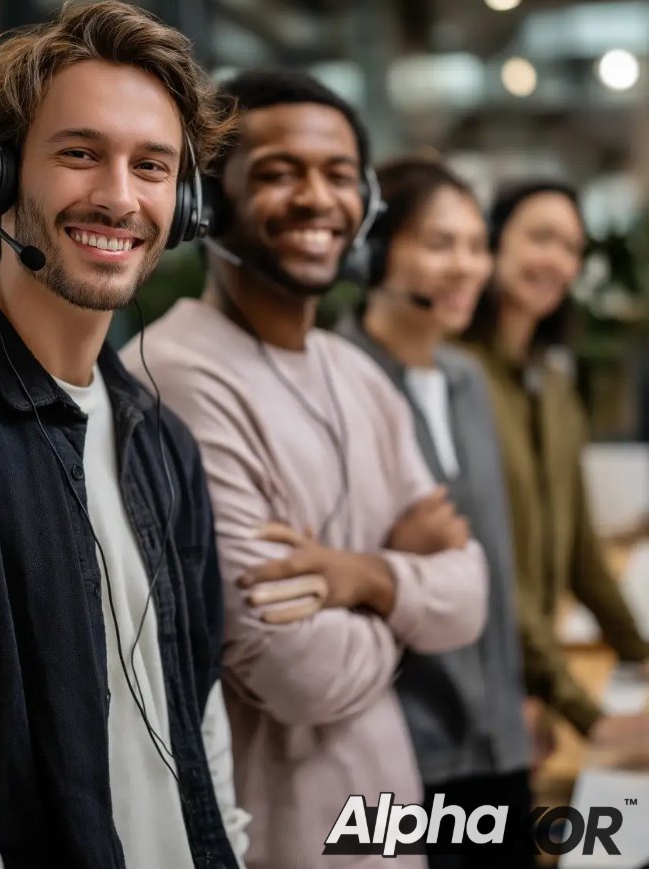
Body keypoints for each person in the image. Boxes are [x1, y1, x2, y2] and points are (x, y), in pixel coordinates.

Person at [0, 0, 246, 869]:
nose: (117, 196)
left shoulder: (161, 443)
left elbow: (201, 732)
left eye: (151, 166)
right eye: (79, 154)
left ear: (180, 205)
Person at [121, 70, 488, 869]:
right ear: (208, 203)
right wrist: (409, 589)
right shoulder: (178, 377)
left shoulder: (354, 370)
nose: (316, 199)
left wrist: (358, 578)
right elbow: (295, 671)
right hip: (277, 839)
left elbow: (474, 595)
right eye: (280, 173)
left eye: (338, 175)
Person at [335, 157, 538, 868]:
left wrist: (516, 706)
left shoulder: (467, 378)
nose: (466, 267)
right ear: (374, 251)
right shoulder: (337, 376)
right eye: (438, 243)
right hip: (402, 757)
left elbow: (497, 569)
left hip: (498, 742)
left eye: (476, 245)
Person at [463, 179, 649, 747]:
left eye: (571, 247)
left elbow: (581, 553)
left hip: (530, 681)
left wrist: (638, 652)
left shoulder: (554, 382)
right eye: (540, 237)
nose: (558, 260)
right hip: (470, 688)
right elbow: (483, 563)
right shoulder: (454, 377)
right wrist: (586, 714)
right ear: (492, 244)